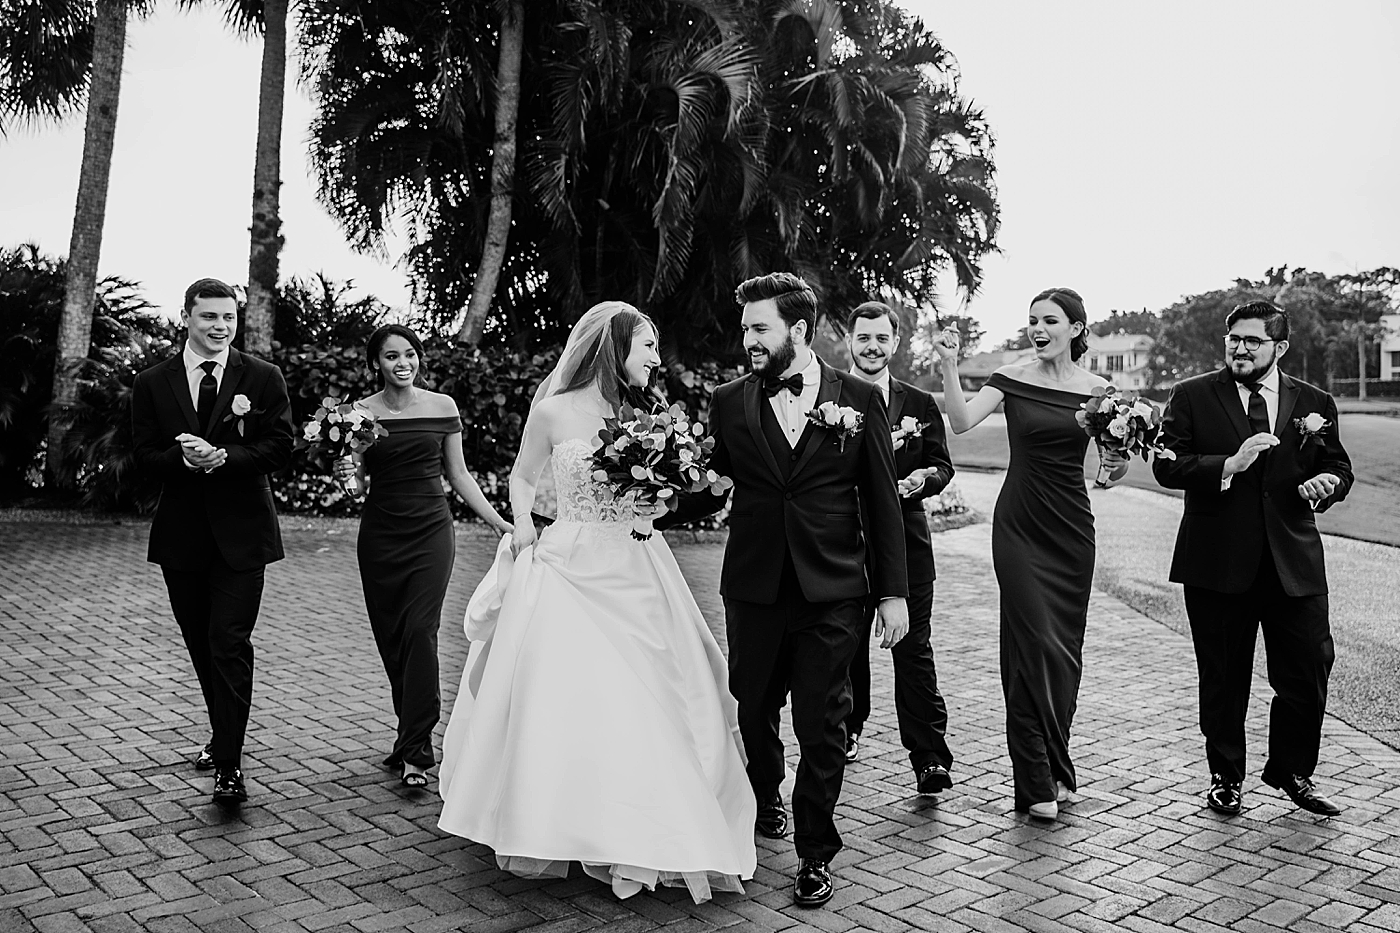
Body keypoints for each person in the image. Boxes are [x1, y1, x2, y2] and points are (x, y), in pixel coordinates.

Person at [437, 302, 756, 904]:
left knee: (657, 691)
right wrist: (524, 523)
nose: (657, 359)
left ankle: (645, 826)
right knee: (569, 696)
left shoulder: (650, 414)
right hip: (569, 561)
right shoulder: (554, 409)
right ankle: (564, 818)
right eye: (648, 348)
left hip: (637, 562)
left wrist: (658, 499)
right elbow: (523, 476)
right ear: (614, 349)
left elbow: (669, 492)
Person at [659, 273, 908, 908]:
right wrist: (658, 479)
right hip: (755, 584)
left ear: (797, 330)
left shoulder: (858, 399)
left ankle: (815, 850)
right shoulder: (728, 399)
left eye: (759, 327)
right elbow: (709, 480)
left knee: (824, 720)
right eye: (744, 328)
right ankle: (765, 791)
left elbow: (882, 502)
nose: (747, 339)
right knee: (753, 703)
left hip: (833, 588)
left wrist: (892, 593)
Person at [1152, 301, 1353, 817]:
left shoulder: (1315, 402)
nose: (1239, 349)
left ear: (1279, 347)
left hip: (1294, 561)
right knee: (1223, 676)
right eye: (1233, 339)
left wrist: (1328, 485)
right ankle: (1225, 777)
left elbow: (1337, 466)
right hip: (1217, 561)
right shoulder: (1192, 395)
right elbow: (1166, 465)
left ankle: (1291, 771)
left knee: (1310, 667)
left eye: (1252, 341)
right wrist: (1228, 464)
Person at [935, 287, 1126, 821]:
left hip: (1071, 531)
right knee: (1031, 644)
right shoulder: (1012, 378)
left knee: (1063, 651)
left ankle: (1058, 766)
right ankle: (1035, 781)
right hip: (1019, 524)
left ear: (1076, 328)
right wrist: (950, 365)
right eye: (1032, 320)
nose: (1038, 328)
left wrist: (1114, 467)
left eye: (1050, 320)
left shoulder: (1100, 391)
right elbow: (961, 421)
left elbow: (1115, 459)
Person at [131, 277, 294, 805]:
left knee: (229, 643)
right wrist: (182, 460)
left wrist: (225, 457)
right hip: (181, 537)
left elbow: (278, 446)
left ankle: (229, 764)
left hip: (243, 538)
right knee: (201, 645)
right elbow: (143, 454)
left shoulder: (263, 377)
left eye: (228, 318)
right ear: (187, 317)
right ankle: (221, 733)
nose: (220, 327)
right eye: (208, 317)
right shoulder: (152, 383)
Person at [334, 325, 511, 789]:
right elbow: (357, 487)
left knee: (419, 631)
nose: (402, 363)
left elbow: (459, 474)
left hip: (431, 532)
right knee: (393, 638)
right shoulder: (359, 415)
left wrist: (499, 522)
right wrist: (344, 475)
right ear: (376, 363)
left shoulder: (442, 407)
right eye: (391, 356)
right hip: (380, 535)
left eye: (409, 354)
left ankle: (418, 751)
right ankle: (407, 733)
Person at [842, 302, 957, 795]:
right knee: (843, 652)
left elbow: (942, 465)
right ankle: (845, 729)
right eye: (863, 337)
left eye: (881, 338)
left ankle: (930, 758)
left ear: (895, 343)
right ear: (850, 340)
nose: (872, 346)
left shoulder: (918, 402)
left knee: (914, 653)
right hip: (841, 548)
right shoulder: (828, 398)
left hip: (907, 549)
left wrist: (923, 480)